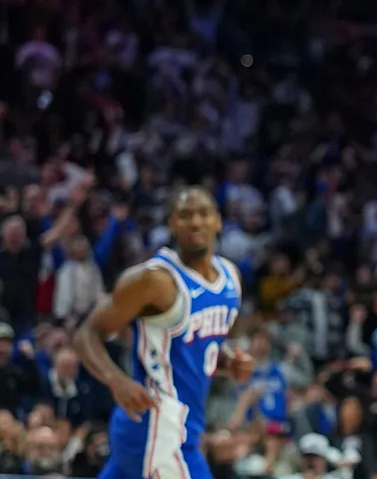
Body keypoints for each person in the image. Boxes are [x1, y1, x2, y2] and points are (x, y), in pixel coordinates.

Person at [74, 187, 253, 479]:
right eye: (185, 215)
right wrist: (116, 380)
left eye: (203, 214)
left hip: (185, 425)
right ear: (171, 223)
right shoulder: (153, 280)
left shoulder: (231, 278)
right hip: (157, 426)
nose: (195, 222)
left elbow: (190, 349)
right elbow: (85, 334)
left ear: (218, 221)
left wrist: (227, 362)